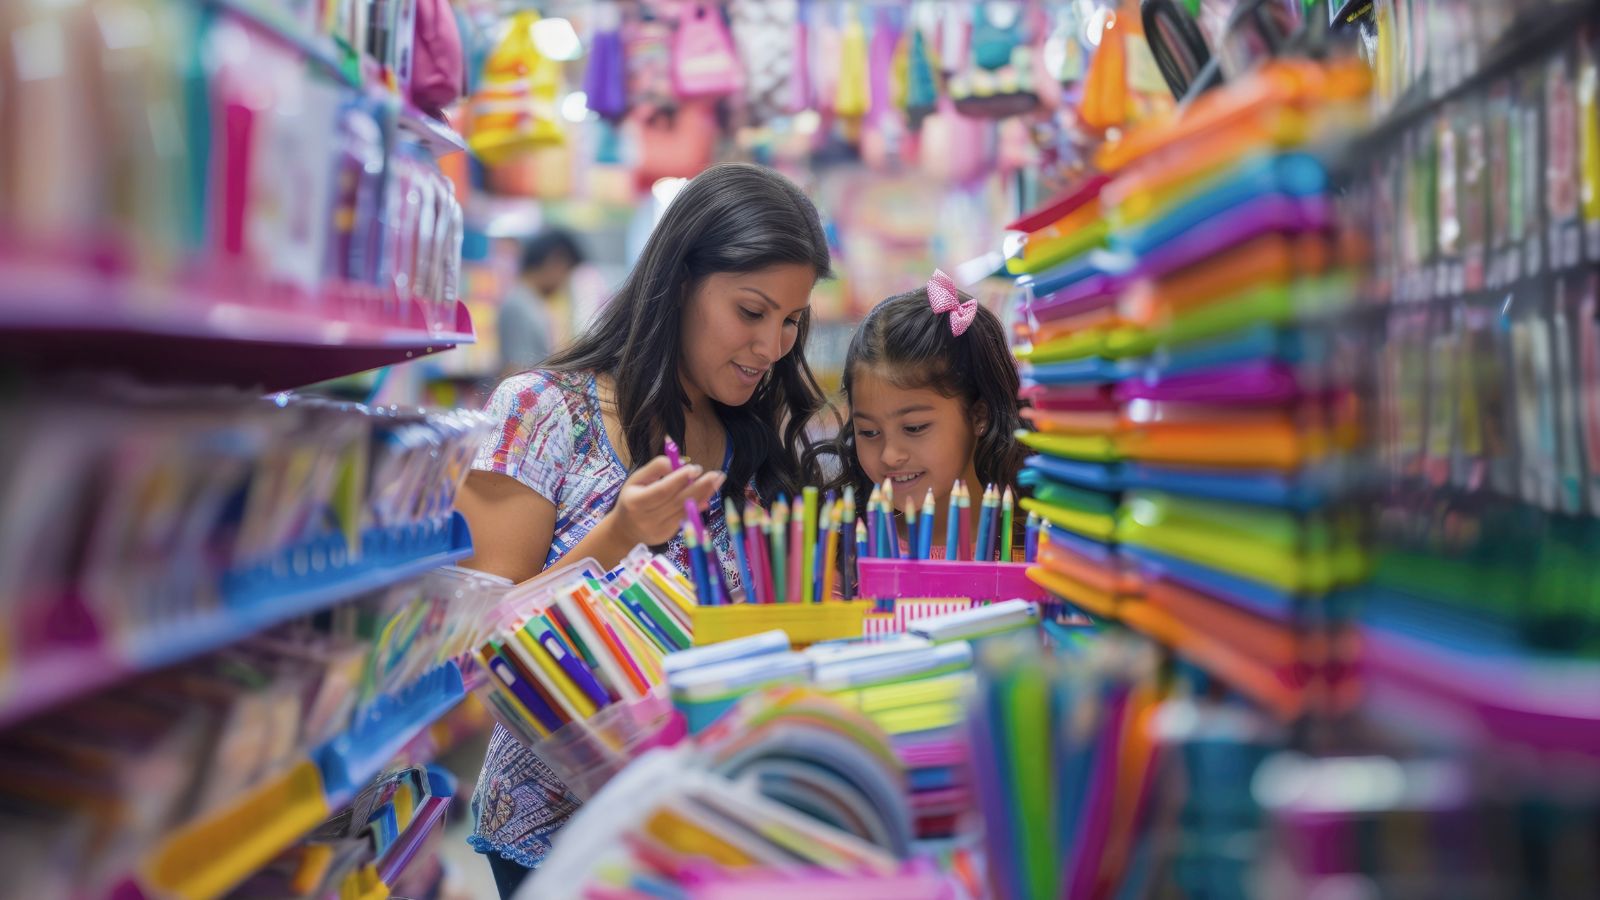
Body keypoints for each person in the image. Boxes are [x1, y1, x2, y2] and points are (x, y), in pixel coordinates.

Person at [454, 163, 832, 897]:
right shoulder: (541, 410)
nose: (772, 347)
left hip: (708, 828)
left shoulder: (755, 440)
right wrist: (619, 535)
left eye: (791, 320)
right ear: (681, 281)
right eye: (751, 312)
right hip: (555, 836)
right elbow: (477, 646)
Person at [814, 269, 1025, 558]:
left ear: (979, 415)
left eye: (914, 428)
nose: (890, 455)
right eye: (869, 432)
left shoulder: (1033, 549)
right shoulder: (848, 554)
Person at [496, 228, 586, 374]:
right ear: (556, 261)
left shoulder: (528, 301)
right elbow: (516, 367)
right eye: (567, 273)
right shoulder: (519, 305)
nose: (564, 283)